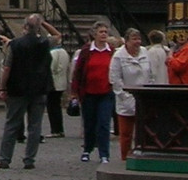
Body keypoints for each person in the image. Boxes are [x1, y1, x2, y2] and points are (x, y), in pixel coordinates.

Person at [0, 13, 61, 170]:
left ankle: (5, 158)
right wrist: (44, 23)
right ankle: (29, 159)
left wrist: (3, 87)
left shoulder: (16, 45)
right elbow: (57, 35)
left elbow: (7, 68)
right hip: (39, 88)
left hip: (17, 88)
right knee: (35, 125)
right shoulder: (45, 43)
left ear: (25, 27)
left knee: (12, 123)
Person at [70, 21, 114, 163]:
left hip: (106, 92)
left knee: (104, 123)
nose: (103, 35)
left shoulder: (111, 51)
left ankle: (104, 153)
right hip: (88, 93)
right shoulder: (87, 51)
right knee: (89, 123)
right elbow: (78, 72)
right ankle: (87, 149)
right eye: (101, 32)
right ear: (94, 34)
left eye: (105, 32)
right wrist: (75, 92)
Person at [109, 28, 153, 159]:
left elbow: (150, 75)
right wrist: (126, 96)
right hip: (126, 99)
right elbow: (115, 79)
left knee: (144, 132)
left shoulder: (145, 52)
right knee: (126, 133)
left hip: (143, 98)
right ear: (126, 41)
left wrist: (148, 91)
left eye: (139, 39)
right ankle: (125, 158)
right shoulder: (118, 56)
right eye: (134, 39)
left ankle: (143, 157)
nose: (137, 42)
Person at [46, 43, 71, 137]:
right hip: (62, 82)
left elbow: (51, 68)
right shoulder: (64, 52)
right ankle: (59, 129)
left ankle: (55, 129)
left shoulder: (53, 53)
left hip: (54, 83)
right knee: (56, 106)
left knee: (52, 107)